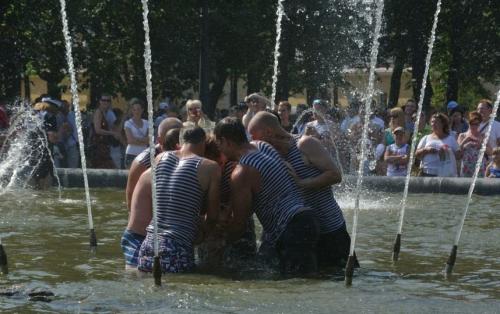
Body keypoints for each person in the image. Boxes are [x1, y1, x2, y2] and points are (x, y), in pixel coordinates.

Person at [248, 112, 355, 269]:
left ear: (269, 132)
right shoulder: (271, 154)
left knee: (336, 276)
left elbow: (335, 175)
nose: (252, 142)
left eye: (254, 136)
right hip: (299, 231)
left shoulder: (305, 144)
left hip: (328, 228)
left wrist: (302, 183)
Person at [137, 127, 221, 273]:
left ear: (181, 141)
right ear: (203, 143)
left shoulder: (159, 158)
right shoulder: (211, 167)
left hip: (148, 244)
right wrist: (201, 236)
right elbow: (213, 217)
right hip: (177, 249)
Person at [125, 117, 182, 210]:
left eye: (179, 138)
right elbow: (131, 203)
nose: (177, 144)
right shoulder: (142, 163)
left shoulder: (188, 155)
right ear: (159, 140)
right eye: (171, 139)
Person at [457, 112, 491, 177]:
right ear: (468, 123)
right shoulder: (462, 136)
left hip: (480, 170)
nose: (474, 126)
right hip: (466, 169)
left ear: (479, 124)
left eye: (476, 124)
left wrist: (481, 145)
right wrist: (464, 142)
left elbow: (490, 152)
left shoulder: (483, 136)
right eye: (472, 124)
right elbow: (458, 155)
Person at [91, 94, 119, 169]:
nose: (105, 102)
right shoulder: (98, 112)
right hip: (97, 147)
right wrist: (112, 133)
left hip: (103, 146)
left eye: (108, 100)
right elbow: (98, 130)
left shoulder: (105, 113)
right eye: (103, 100)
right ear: (100, 101)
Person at [124, 100, 149, 168]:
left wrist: (136, 139)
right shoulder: (128, 123)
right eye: (134, 109)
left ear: (142, 110)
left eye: (138, 109)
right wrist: (144, 141)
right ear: (132, 111)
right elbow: (130, 141)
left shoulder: (147, 123)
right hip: (131, 153)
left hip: (143, 154)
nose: (136, 112)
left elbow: (149, 140)